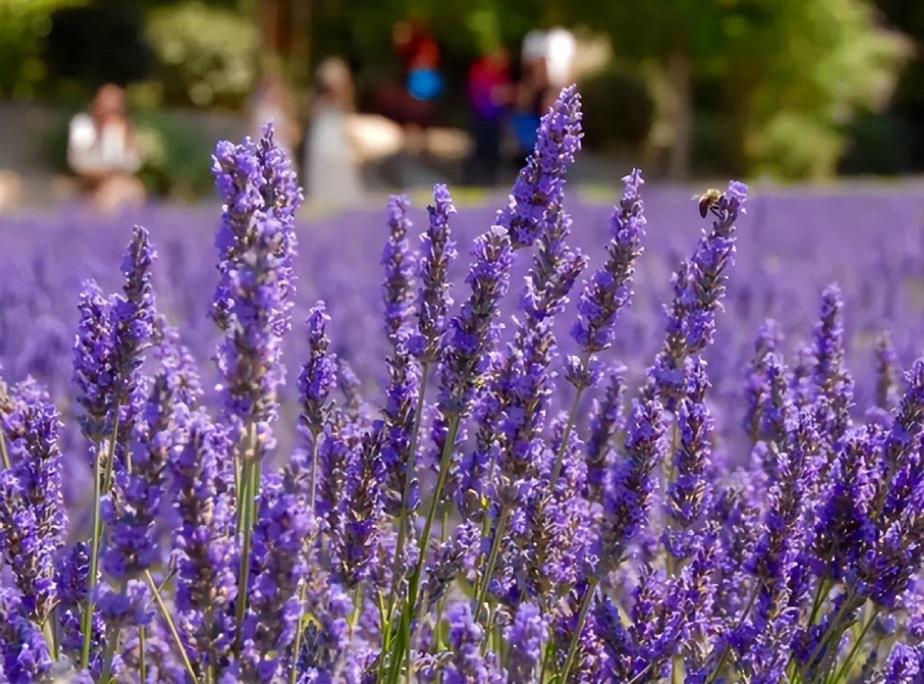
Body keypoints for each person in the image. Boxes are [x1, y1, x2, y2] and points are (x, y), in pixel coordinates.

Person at [67, 83, 145, 212]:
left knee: (128, 190)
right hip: (87, 180)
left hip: (115, 181)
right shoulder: (83, 125)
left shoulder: (120, 128)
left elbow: (131, 162)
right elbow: (79, 161)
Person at [305, 57, 363, 206]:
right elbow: (313, 115)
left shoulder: (343, 98)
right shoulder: (318, 99)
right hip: (323, 139)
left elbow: (348, 116)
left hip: (338, 139)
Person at [465, 46, 512, 185]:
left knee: (493, 152)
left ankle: (489, 181)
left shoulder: (502, 74)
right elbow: (478, 93)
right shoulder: (480, 70)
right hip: (480, 117)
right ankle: (471, 180)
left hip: (495, 119)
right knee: (479, 151)